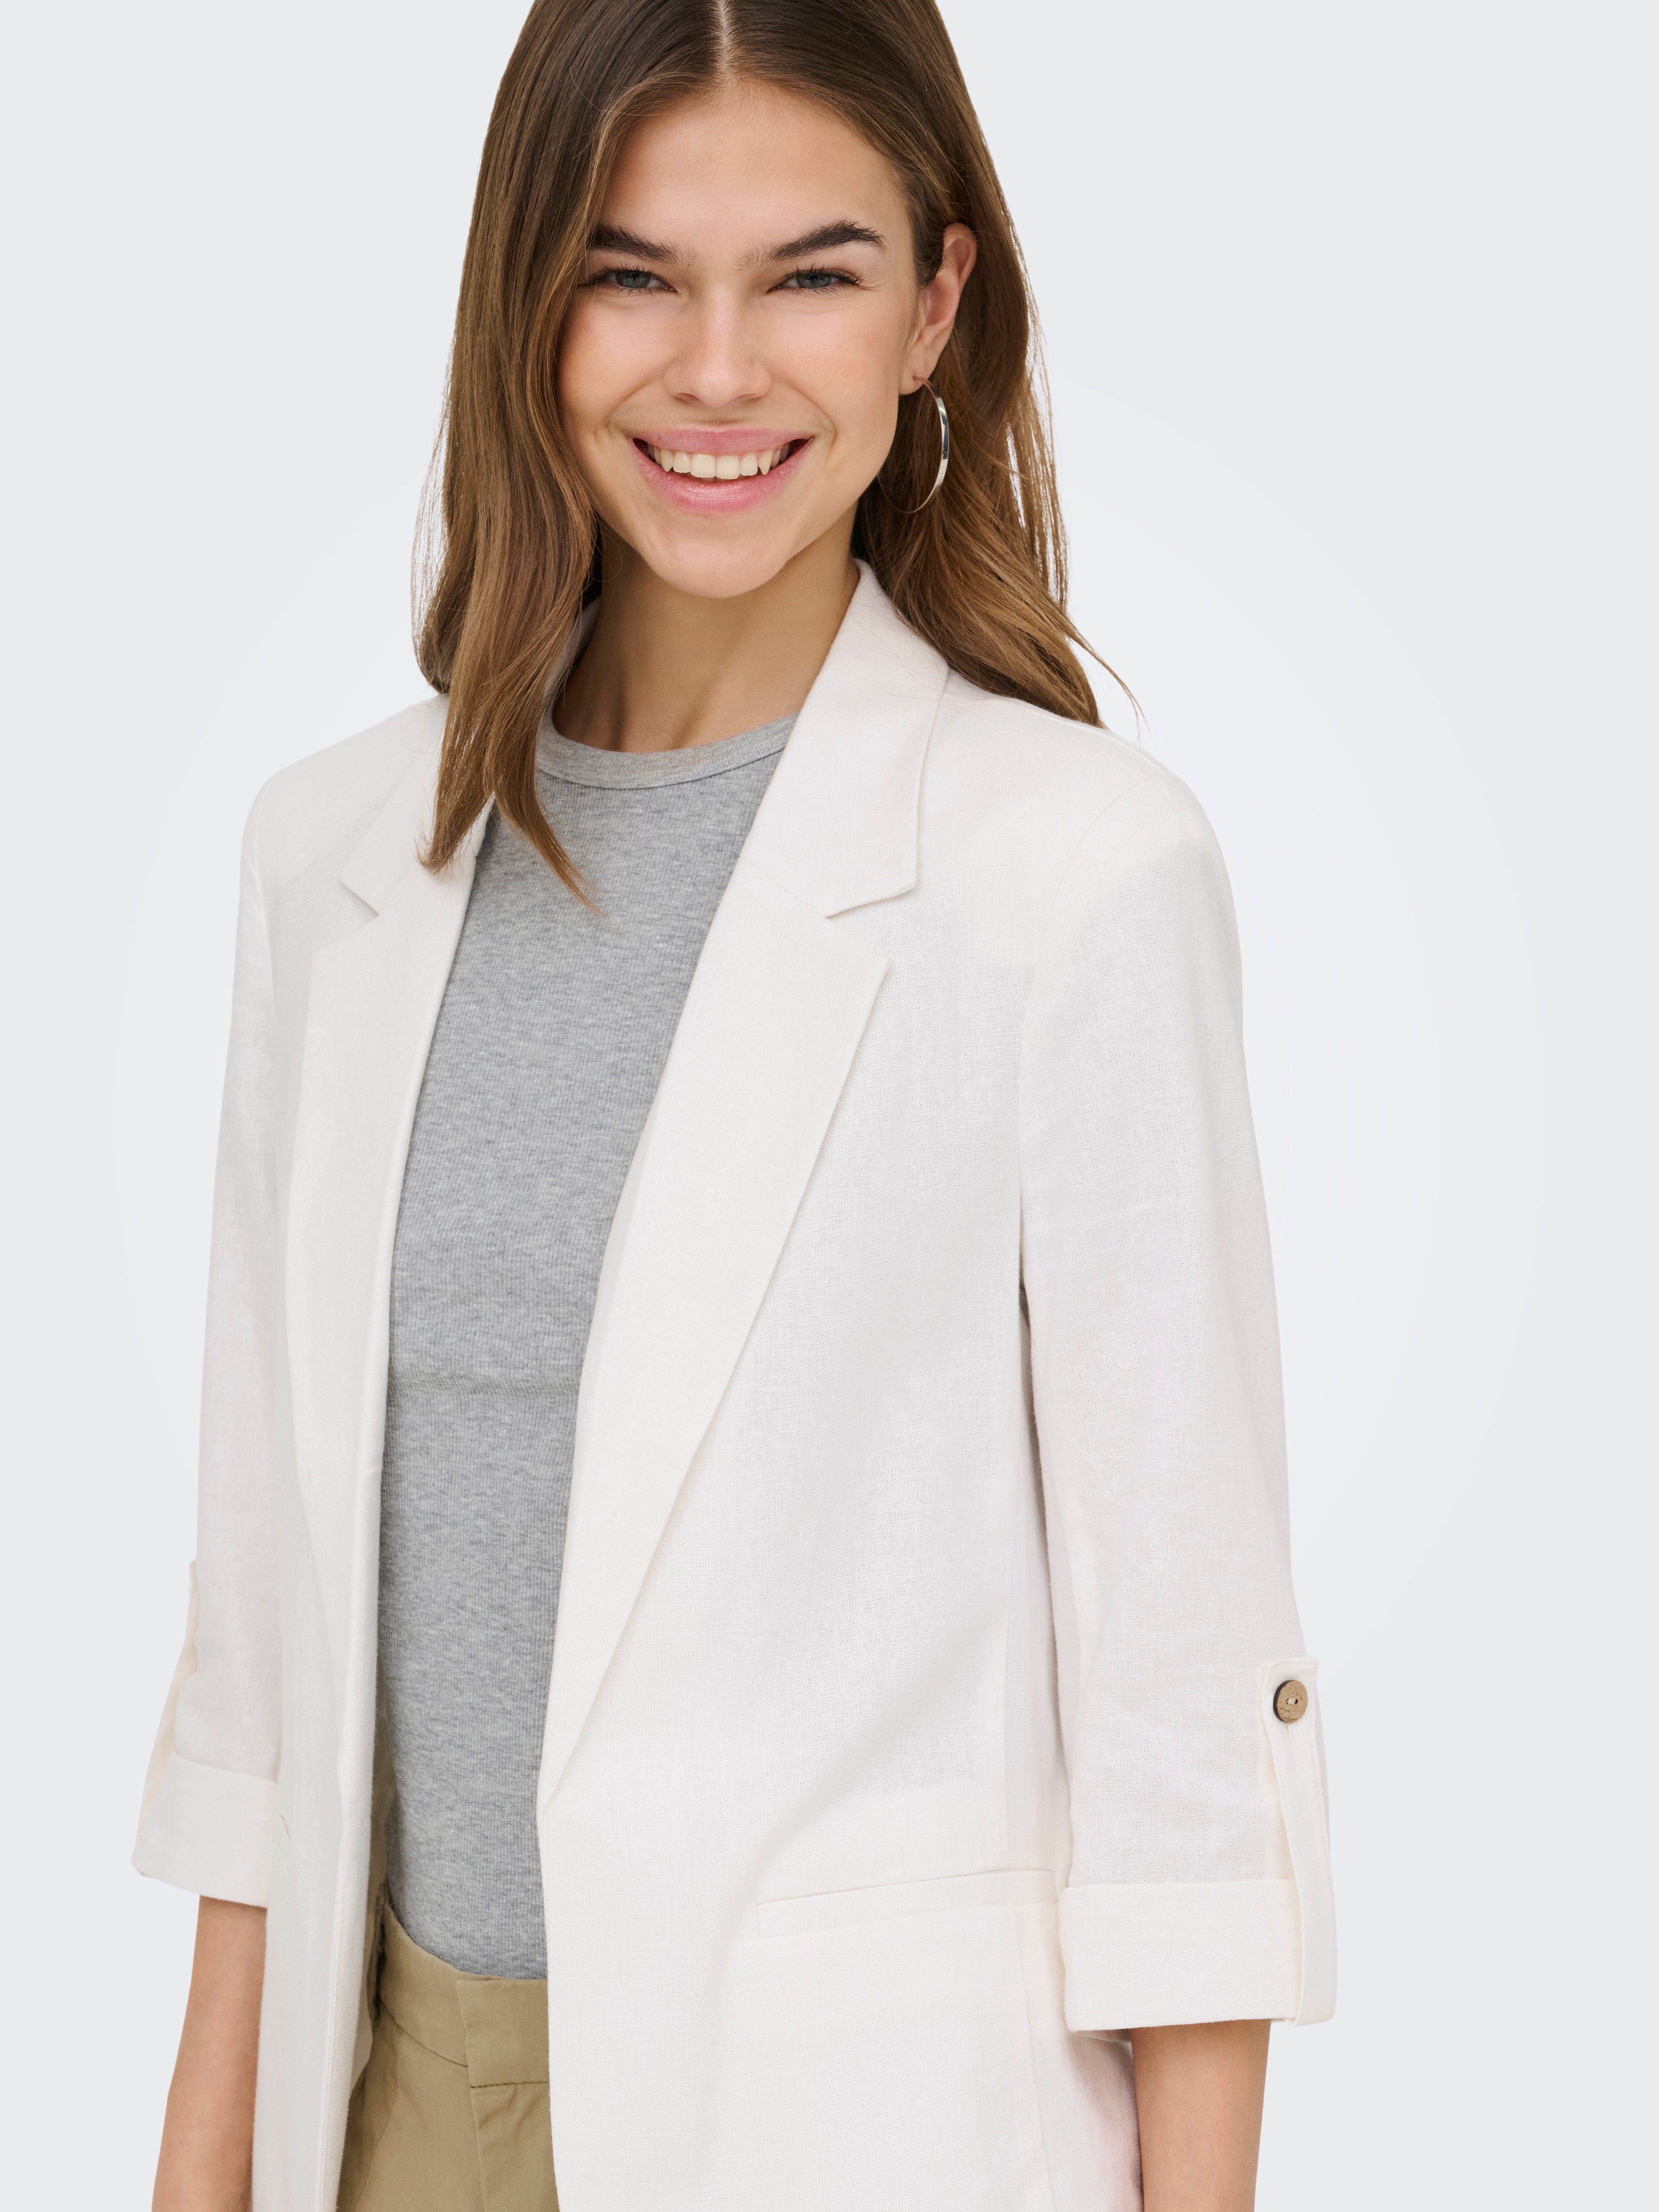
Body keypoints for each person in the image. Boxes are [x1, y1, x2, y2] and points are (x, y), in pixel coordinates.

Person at [138, 3, 1335, 2207]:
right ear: (526, 302)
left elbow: (1181, 1721)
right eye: (630, 274)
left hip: (853, 2139)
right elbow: (262, 1686)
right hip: (387, 2111)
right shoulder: (329, 864)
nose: (716, 369)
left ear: (932, 309)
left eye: (809, 275)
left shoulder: (1069, 876)